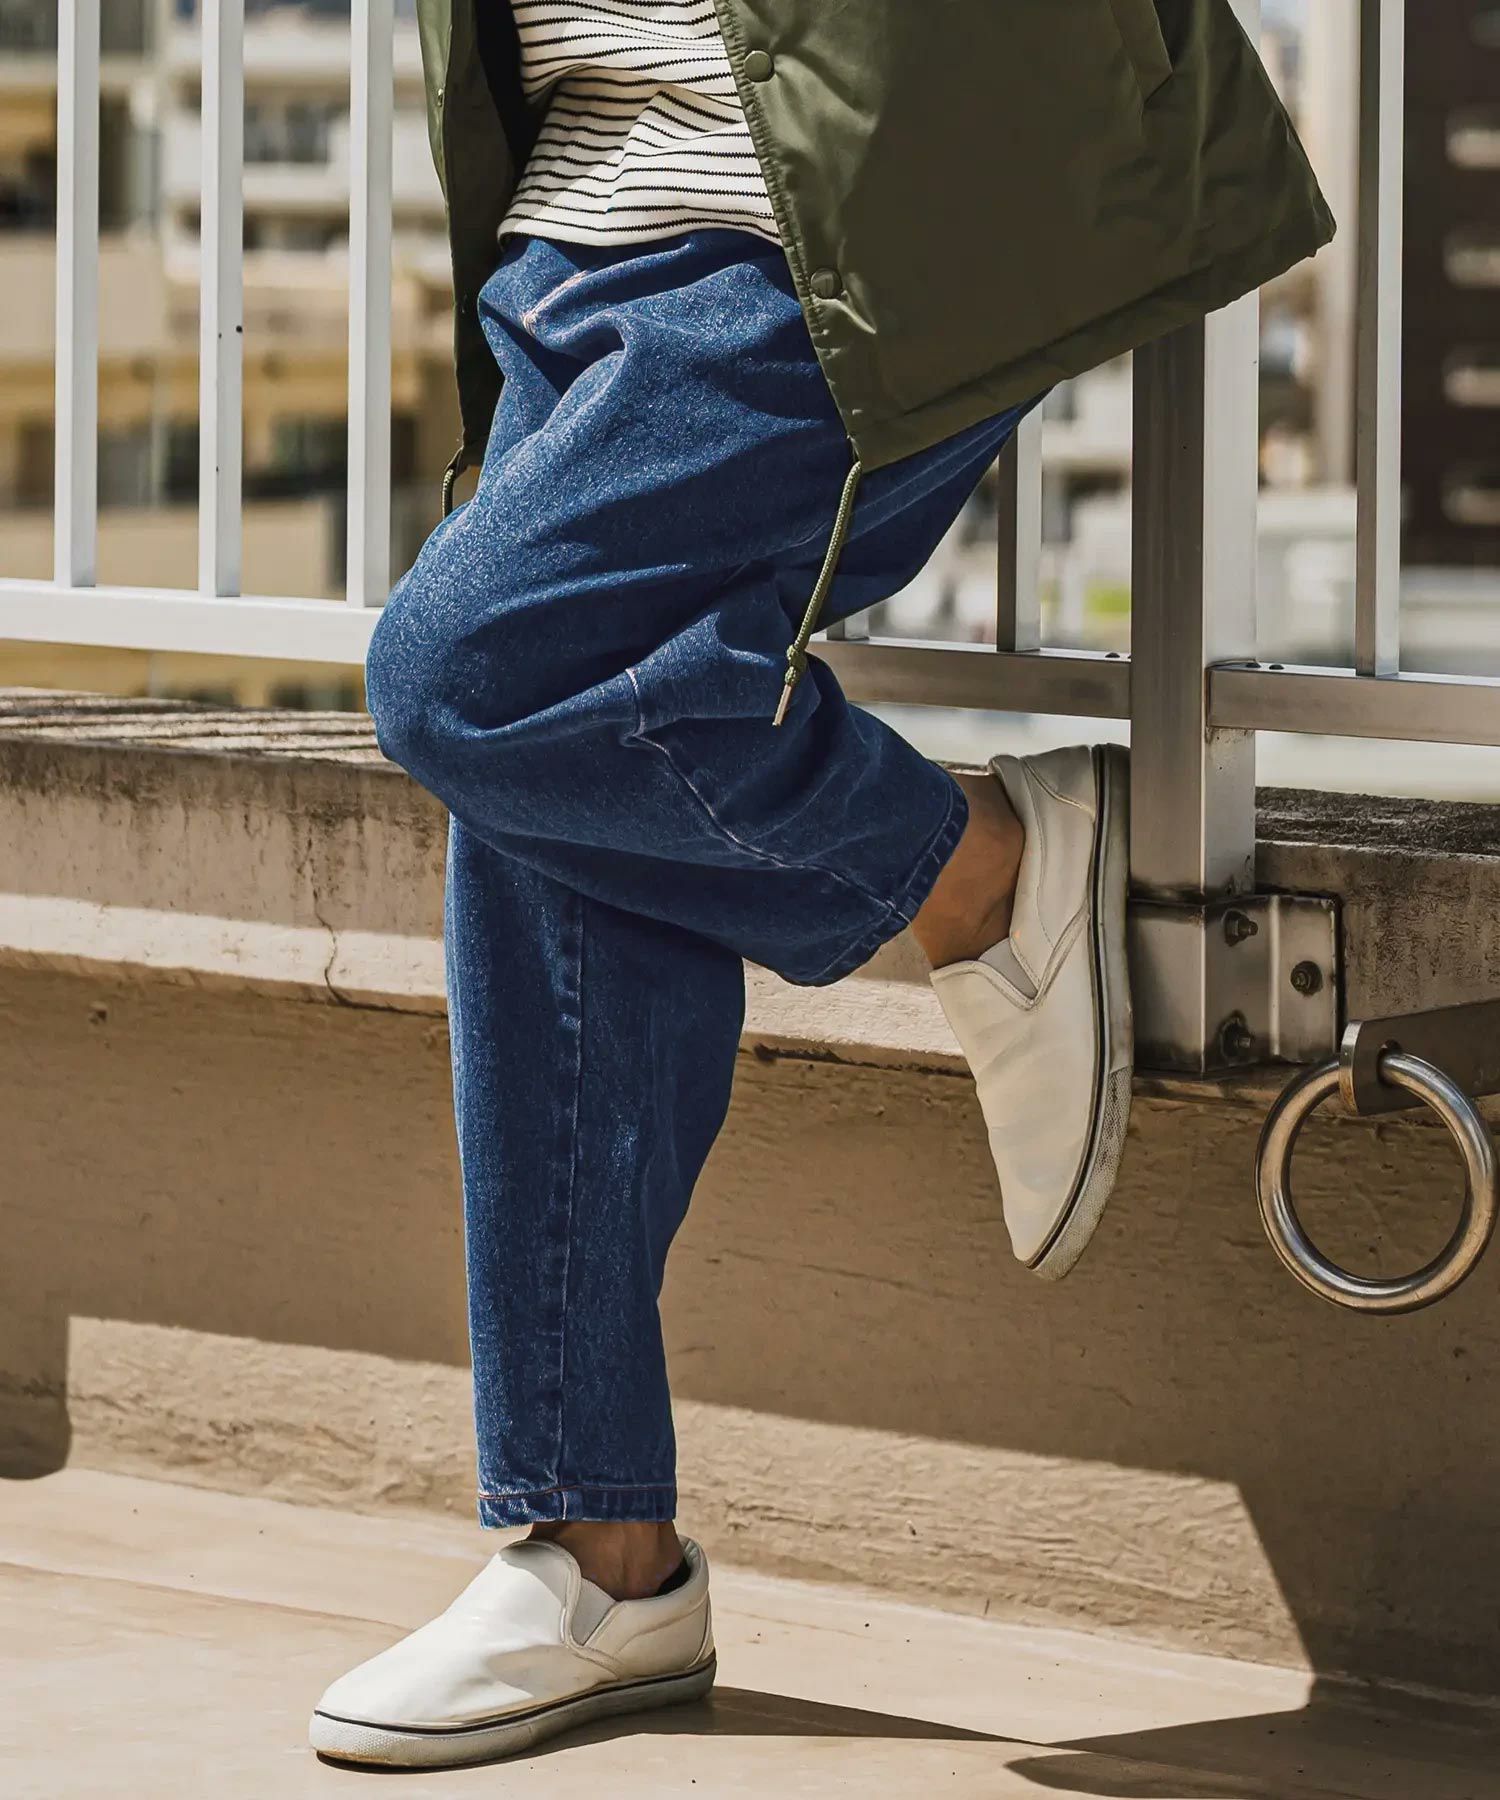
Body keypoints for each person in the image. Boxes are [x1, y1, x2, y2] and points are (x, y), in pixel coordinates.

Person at [310, 0, 1334, 1770]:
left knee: (467, 680)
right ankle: (603, 1561)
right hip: (571, 224)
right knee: (561, 779)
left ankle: (983, 880)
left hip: (826, 215)